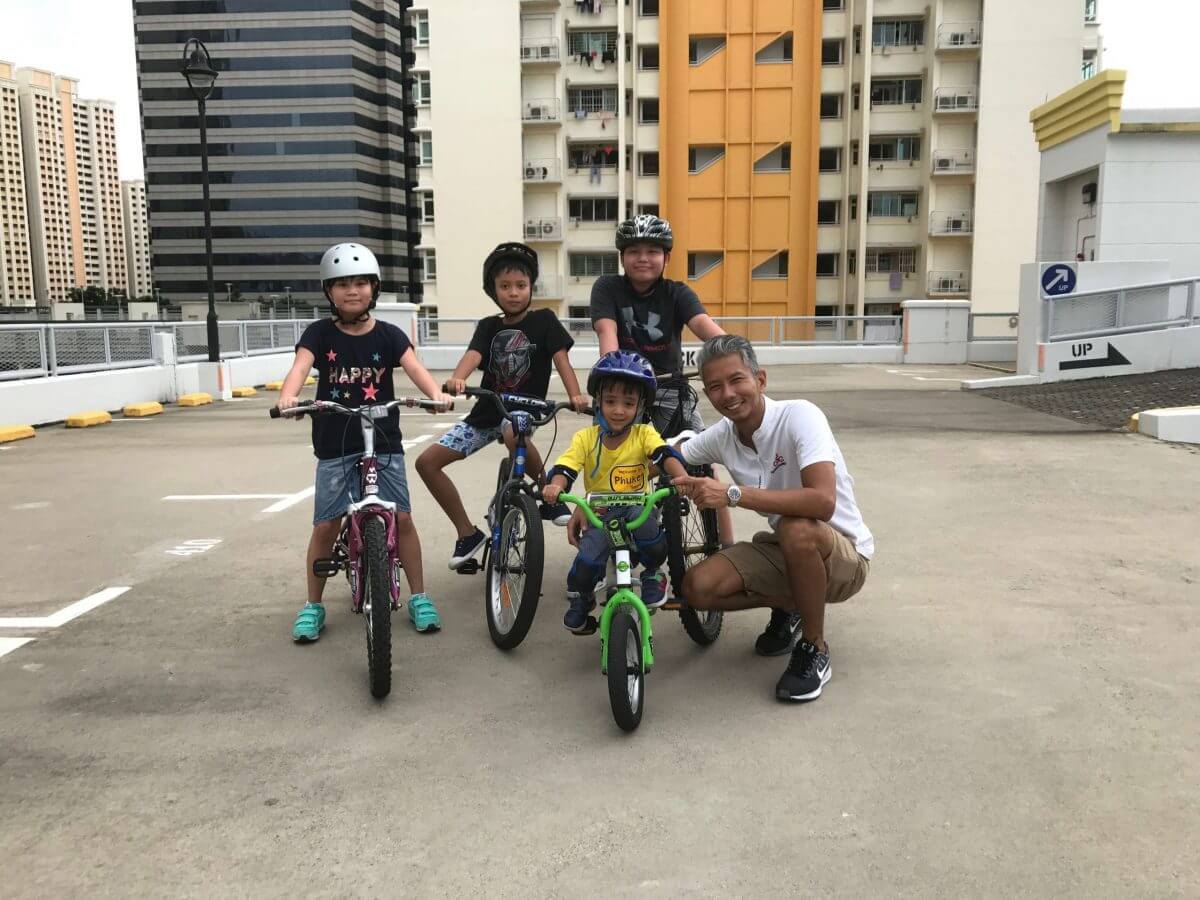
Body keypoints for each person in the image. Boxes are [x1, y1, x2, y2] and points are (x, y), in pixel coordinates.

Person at [671, 335, 874, 704]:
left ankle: (814, 648)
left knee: (797, 526)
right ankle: (792, 605)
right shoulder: (724, 435)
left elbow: (822, 501)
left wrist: (733, 494)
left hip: (843, 555)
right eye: (714, 387)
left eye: (737, 380)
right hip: (788, 549)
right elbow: (672, 452)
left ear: (760, 380)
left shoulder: (800, 416)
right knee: (697, 589)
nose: (728, 394)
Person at [277, 243, 449, 642]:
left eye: (359, 283)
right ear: (328, 291)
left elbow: (415, 368)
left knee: (401, 518)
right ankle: (313, 605)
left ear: (374, 288)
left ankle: (419, 596)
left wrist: (435, 395)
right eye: (341, 285)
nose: (351, 291)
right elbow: (299, 368)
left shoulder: (389, 335)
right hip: (335, 442)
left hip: (384, 441)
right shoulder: (318, 334)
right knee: (326, 525)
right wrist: (289, 397)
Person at [416, 242, 588, 571]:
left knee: (514, 433)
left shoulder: (545, 320)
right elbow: (473, 356)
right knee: (427, 462)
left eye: (520, 286)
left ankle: (545, 491)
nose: (513, 293)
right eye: (505, 286)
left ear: (531, 287)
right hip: (487, 410)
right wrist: (457, 378)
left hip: (524, 408)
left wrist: (576, 395)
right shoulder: (489, 326)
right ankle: (467, 534)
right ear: (493, 290)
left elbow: (561, 360)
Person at [589, 213, 734, 544]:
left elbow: (705, 327)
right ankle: (617, 544)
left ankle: (726, 547)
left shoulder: (677, 293)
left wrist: (734, 355)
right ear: (622, 256)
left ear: (666, 257)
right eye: (634, 250)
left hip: (671, 389)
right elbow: (606, 332)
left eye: (653, 251)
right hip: (625, 392)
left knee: (703, 462)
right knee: (614, 468)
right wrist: (611, 377)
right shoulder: (607, 288)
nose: (643, 258)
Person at [541, 351, 689, 632]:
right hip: (600, 513)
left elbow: (662, 454)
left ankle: (653, 575)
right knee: (584, 566)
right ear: (598, 402)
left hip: (638, 507)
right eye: (610, 401)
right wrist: (555, 486)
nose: (618, 410)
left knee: (654, 542)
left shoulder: (643, 434)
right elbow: (567, 466)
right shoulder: (586, 438)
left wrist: (680, 476)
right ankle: (582, 600)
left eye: (628, 403)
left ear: (640, 406)